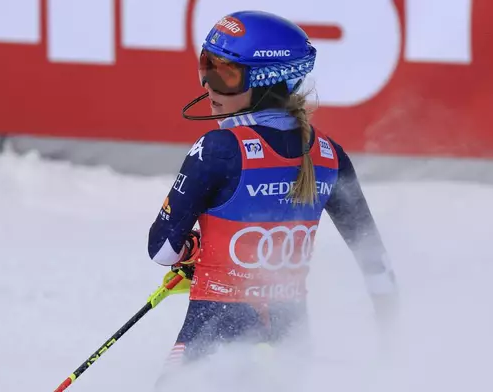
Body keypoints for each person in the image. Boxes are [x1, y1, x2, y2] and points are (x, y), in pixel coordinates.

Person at [147, 9, 399, 381]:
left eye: (225, 75)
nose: (209, 86)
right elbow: (374, 261)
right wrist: (394, 342)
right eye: (206, 66)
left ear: (267, 81)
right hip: (292, 343)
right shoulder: (329, 154)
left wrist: (192, 252)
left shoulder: (217, 148)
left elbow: (161, 249)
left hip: (214, 338)